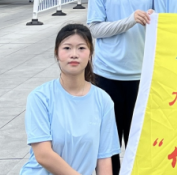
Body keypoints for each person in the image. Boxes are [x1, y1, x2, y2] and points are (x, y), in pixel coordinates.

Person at [87, 0, 156, 175]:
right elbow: (95, 29)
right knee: (109, 148)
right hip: (107, 76)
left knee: (141, 147)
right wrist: (130, 20)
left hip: (143, 77)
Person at [21, 23, 118, 175]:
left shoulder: (103, 100)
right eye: (67, 48)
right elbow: (43, 155)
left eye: (81, 48)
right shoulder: (40, 97)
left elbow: (104, 158)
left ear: (90, 54)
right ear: (57, 53)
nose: (74, 54)